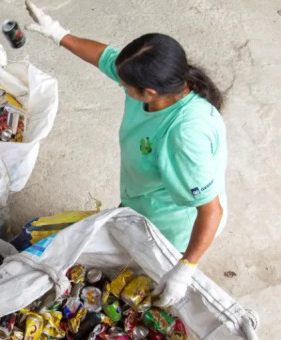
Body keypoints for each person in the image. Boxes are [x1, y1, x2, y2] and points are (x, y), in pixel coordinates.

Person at [23, 1, 227, 307]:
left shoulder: (184, 136)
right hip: (142, 197)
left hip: (170, 224)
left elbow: (211, 211)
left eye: (125, 84)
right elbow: (106, 58)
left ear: (150, 92)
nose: (120, 84)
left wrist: (186, 267)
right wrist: (59, 34)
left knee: (137, 280)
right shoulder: (158, 87)